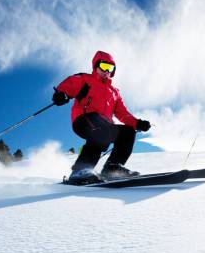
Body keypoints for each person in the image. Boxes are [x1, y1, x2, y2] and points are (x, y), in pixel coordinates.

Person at [52, 50, 151, 185]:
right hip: (84, 119)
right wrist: (61, 94)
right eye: (104, 66)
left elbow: (123, 113)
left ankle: (112, 168)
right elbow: (70, 84)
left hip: (104, 124)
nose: (107, 71)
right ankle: (80, 171)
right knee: (100, 130)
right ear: (96, 66)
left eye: (110, 68)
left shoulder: (114, 92)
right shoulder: (85, 80)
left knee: (127, 132)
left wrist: (137, 123)